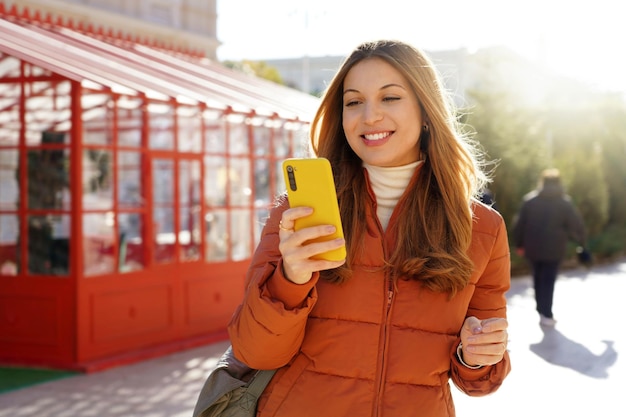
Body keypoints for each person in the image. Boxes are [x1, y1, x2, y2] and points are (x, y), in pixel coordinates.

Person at [228, 39, 511, 417]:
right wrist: (291, 279)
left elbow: (480, 379)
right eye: (354, 101)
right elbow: (254, 351)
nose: (369, 116)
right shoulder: (297, 213)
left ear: (427, 111)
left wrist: (477, 356)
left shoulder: (483, 229)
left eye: (390, 98)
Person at [513, 168, 586, 327]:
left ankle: (541, 309)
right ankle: (546, 313)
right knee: (548, 279)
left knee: (537, 278)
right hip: (555, 248)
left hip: (532, 247)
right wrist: (581, 242)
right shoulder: (564, 202)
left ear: (542, 182)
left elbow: (519, 225)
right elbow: (576, 225)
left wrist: (519, 244)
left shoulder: (530, 201)